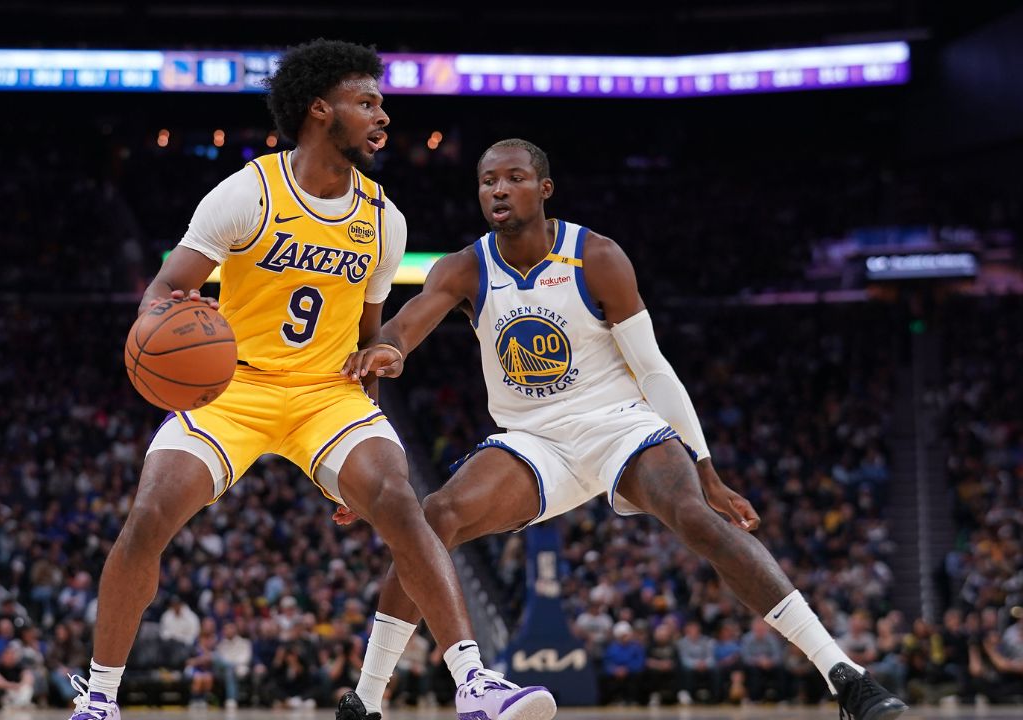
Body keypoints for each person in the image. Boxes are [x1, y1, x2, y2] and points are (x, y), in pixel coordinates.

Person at [338, 137, 908, 720]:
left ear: (544, 188)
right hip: (534, 441)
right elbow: (405, 325)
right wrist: (391, 350)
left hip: (619, 426)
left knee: (694, 516)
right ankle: (365, 700)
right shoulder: (464, 267)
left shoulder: (597, 256)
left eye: (514, 178)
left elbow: (653, 369)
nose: (499, 190)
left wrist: (706, 468)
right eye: (488, 182)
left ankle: (845, 675)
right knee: (436, 515)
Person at [66, 40, 553, 720]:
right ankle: (99, 699)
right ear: (321, 110)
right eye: (367, 103)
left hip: (327, 394)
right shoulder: (248, 192)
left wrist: (367, 430)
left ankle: (473, 684)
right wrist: (161, 322)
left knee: (400, 501)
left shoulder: (383, 219)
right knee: (148, 516)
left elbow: (367, 340)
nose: (383, 116)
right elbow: (162, 288)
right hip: (233, 389)